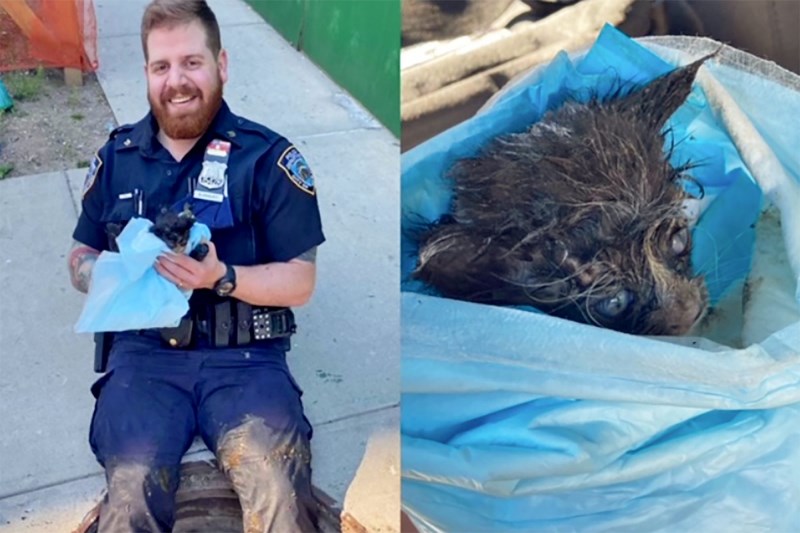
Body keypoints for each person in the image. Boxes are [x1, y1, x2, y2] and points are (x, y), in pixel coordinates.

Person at [67, 0, 324, 530]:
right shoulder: (116, 160)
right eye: (162, 66)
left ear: (221, 65)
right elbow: (79, 255)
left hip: (245, 358)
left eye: (191, 62)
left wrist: (222, 277)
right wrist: (103, 276)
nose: (176, 81)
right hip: (145, 359)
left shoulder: (269, 160)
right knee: (132, 490)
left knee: (278, 490)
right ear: (146, 74)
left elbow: (301, 280)